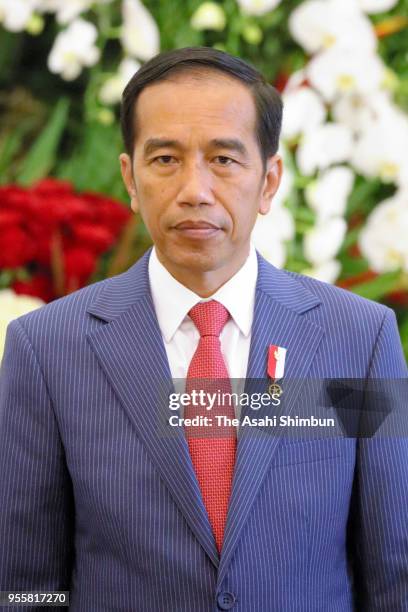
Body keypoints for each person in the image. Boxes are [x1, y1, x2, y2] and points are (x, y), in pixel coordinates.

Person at [0, 47, 407, 612]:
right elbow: (24, 586)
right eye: (165, 159)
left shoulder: (357, 341)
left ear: (269, 182)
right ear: (131, 178)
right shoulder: (47, 350)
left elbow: (394, 576)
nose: (194, 189)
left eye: (224, 159)